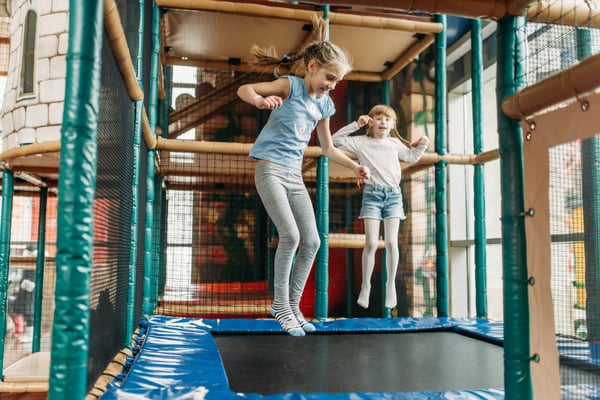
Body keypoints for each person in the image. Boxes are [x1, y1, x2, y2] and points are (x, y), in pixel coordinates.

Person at [238, 41, 370, 336]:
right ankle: (281, 306)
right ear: (312, 67)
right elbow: (245, 90)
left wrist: (354, 165)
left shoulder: (324, 104)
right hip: (269, 168)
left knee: (312, 241)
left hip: (294, 177)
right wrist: (259, 101)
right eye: (330, 78)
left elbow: (328, 148)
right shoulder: (291, 86)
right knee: (291, 236)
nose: (332, 86)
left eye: (337, 81)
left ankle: (294, 307)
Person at [332, 104, 429, 309]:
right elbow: (334, 140)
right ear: (370, 122)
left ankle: (390, 285)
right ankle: (365, 286)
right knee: (371, 243)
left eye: (387, 119)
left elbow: (411, 157)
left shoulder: (395, 144)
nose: (383, 122)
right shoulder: (361, 142)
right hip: (372, 195)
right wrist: (355, 124)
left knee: (392, 243)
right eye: (378, 118)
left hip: (393, 195)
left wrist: (422, 145)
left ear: (393, 124)